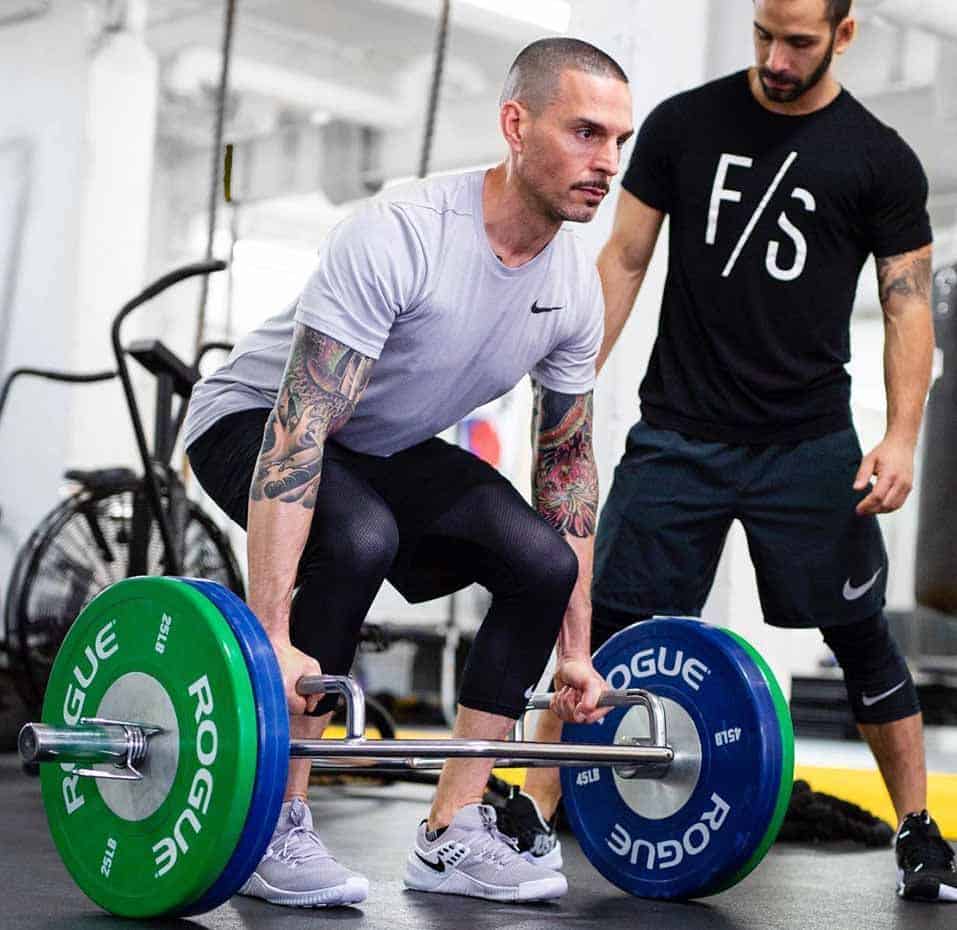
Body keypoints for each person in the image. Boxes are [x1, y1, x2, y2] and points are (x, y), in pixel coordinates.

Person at [509, 0, 957, 904]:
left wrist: (902, 434)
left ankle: (917, 832)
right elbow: (624, 260)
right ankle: (530, 808)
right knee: (594, 628)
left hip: (808, 443)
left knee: (860, 636)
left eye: (797, 41)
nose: (776, 58)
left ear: (844, 33)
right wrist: (571, 382)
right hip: (678, 432)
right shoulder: (687, 124)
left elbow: (907, 302)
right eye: (764, 35)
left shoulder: (877, 157)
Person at [183, 37, 634, 908]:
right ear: (515, 123)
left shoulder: (571, 290)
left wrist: (577, 651)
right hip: (251, 418)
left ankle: (450, 831)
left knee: (538, 561)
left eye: (618, 140)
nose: (606, 162)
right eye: (584, 133)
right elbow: (298, 428)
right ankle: (275, 822)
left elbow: (568, 473)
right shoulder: (402, 234)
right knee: (355, 535)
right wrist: (273, 638)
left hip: (381, 443)